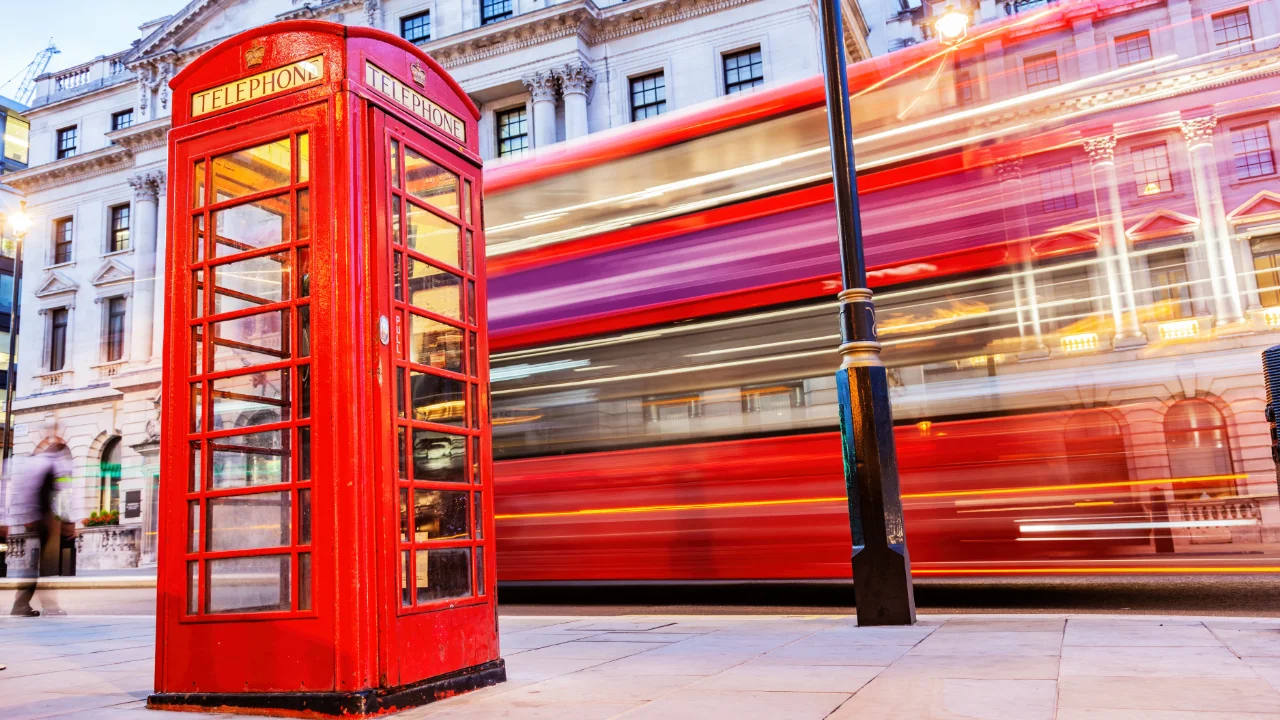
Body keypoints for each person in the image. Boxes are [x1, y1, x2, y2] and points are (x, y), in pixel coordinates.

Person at [7, 441, 72, 617]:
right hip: (41, 521)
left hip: (33, 520)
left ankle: (36, 605)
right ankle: (30, 605)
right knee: (43, 566)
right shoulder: (51, 466)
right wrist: (64, 521)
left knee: (37, 566)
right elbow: (58, 494)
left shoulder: (37, 463)